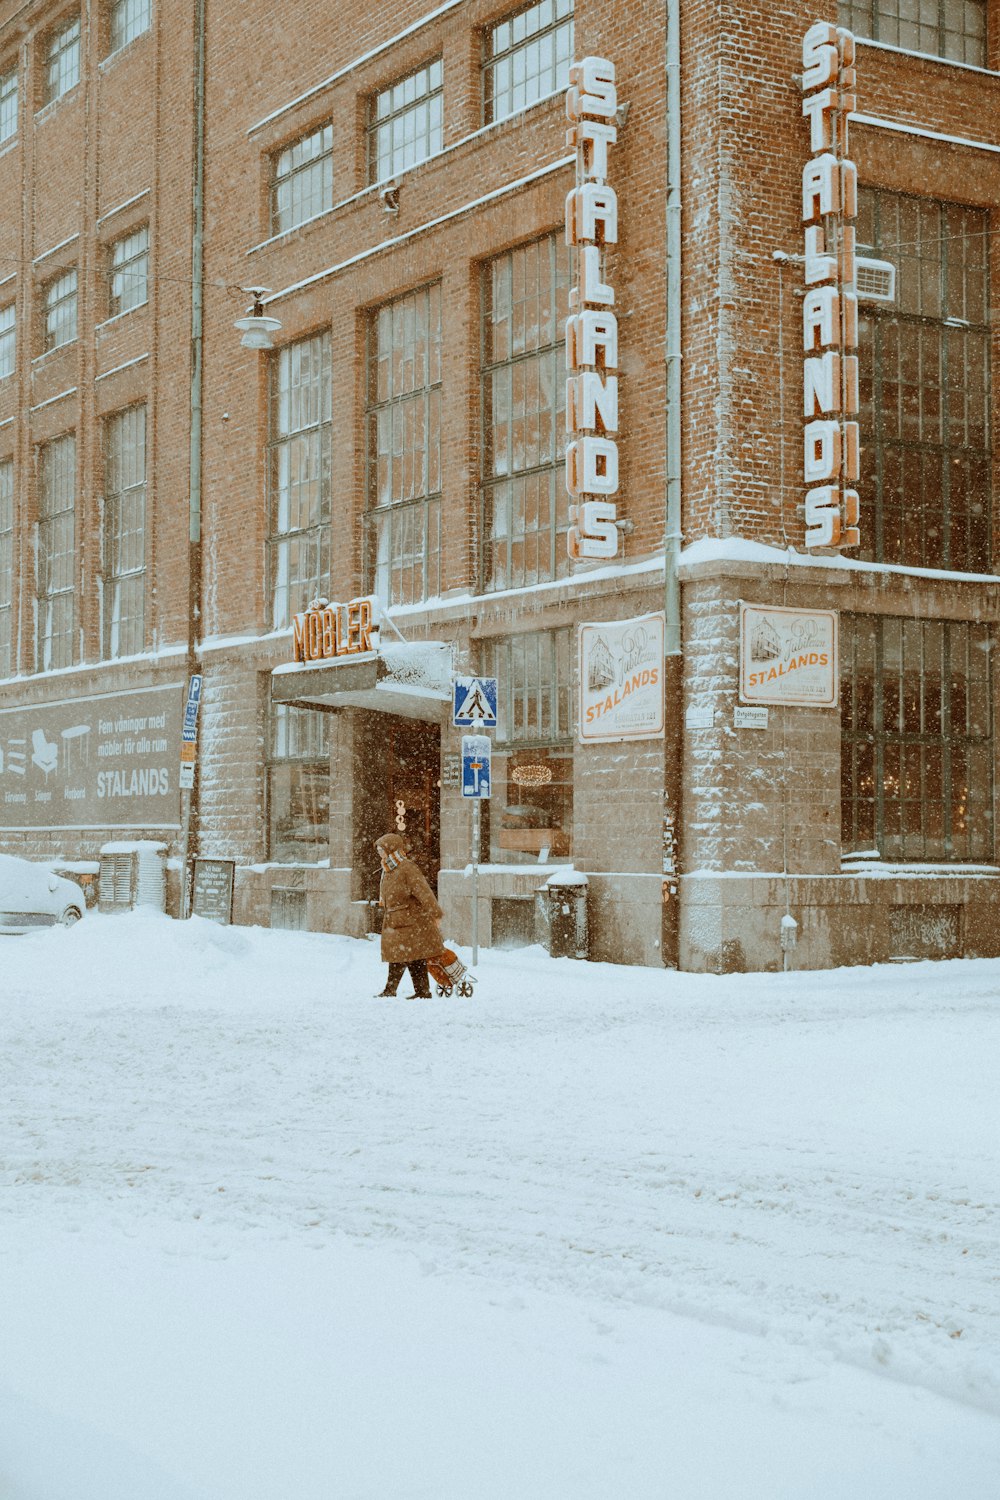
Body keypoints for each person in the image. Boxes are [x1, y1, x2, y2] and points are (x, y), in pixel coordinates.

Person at [373, 832, 444, 998]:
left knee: (402, 955)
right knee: (409, 956)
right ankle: (421, 992)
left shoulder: (406, 867)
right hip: (395, 919)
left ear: (391, 849)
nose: (379, 852)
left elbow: (423, 891)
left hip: (409, 920)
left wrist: (435, 913)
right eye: (378, 849)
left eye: (381, 849)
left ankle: (393, 990)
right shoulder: (387, 867)